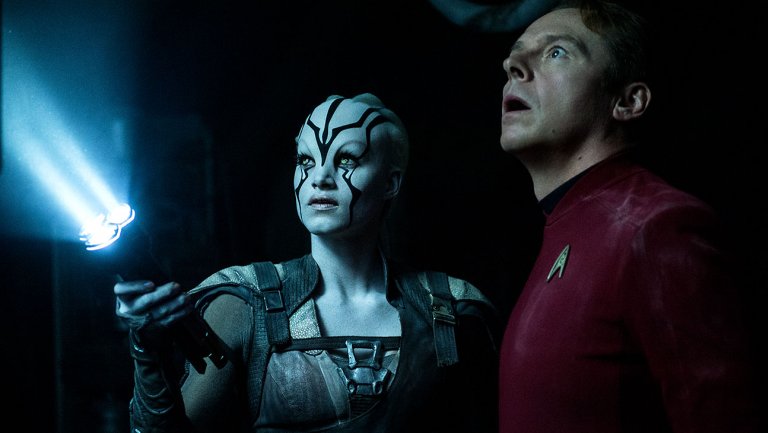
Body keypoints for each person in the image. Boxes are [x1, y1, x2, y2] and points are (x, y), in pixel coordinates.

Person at [113, 93, 500, 433]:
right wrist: (147, 351)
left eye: (346, 159)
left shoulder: (453, 309)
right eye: (306, 160)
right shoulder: (244, 304)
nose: (320, 178)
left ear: (390, 183)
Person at [496, 1, 764, 433]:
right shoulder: (565, 225)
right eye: (514, 56)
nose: (513, 66)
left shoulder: (656, 226)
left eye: (556, 52)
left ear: (628, 101)